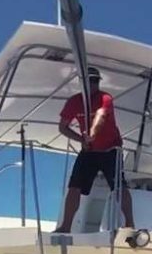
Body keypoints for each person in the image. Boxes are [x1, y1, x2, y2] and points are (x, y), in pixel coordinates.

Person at [55, 66, 135, 233]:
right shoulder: (73, 102)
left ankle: (130, 224)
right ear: (81, 82)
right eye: (89, 80)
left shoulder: (105, 98)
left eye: (95, 81)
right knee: (74, 186)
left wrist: (91, 133)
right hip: (89, 150)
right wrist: (81, 139)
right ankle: (65, 227)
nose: (92, 84)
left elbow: (101, 116)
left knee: (119, 186)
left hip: (111, 150)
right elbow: (63, 127)